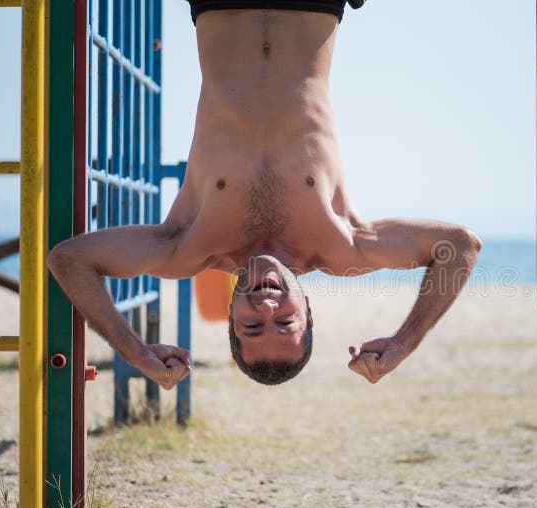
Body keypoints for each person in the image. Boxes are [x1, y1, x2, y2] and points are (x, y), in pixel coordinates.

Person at [46, 1, 481, 389]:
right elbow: (460, 246)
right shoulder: (344, 245)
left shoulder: (187, 248)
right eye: (285, 320)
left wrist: (135, 352)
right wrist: (404, 344)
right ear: (308, 309)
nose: (266, 305)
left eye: (253, 326)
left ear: (231, 321)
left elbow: (68, 260)